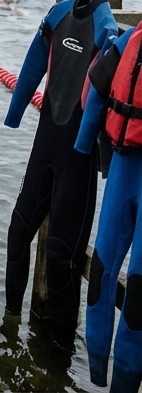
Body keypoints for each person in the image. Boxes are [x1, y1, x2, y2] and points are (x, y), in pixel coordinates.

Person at [3, 0, 116, 351]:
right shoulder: (58, 14)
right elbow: (32, 65)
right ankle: (9, 327)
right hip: (44, 146)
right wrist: (14, 114)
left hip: (78, 160)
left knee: (60, 257)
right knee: (18, 233)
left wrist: (92, 145)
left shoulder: (105, 26)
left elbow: (103, 90)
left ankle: (62, 354)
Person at [74, 20, 142, 392]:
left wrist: (87, 144)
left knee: (110, 276)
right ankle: (110, 381)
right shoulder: (132, 38)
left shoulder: (132, 36)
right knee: (117, 280)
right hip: (124, 167)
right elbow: (98, 89)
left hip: (120, 168)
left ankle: (104, 378)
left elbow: (94, 93)